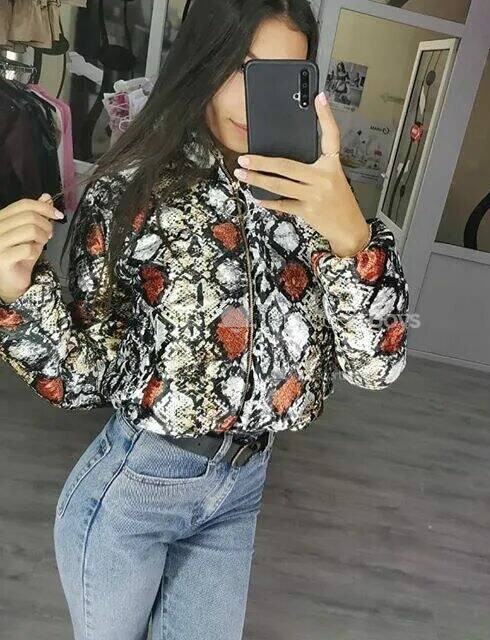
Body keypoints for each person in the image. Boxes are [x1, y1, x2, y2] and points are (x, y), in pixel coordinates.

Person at [0, 0, 409, 638]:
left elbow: (375, 368)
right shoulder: (132, 188)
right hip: (136, 486)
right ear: (202, 61)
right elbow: (83, 379)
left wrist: (352, 238)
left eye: (280, 76)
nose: (253, 97)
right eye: (239, 67)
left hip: (241, 488)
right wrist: (16, 293)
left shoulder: (322, 203)